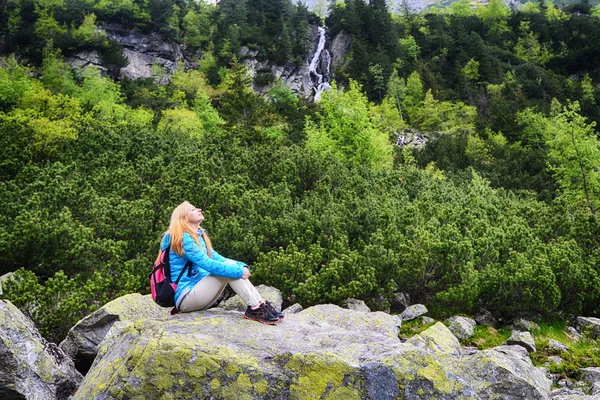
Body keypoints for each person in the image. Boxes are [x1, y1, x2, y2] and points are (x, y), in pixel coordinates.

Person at [160, 201, 284, 324]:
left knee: (231, 268)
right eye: (192, 209)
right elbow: (208, 264)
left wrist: (241, 266)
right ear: (184, 218)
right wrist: (238, 271)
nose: (199, 209)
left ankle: (259, 304)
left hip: (198, 294)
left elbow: (218, 258)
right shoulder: (183, 239)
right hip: (187, 298)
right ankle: (255, 307)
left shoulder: (198, 237)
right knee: (230, 270)